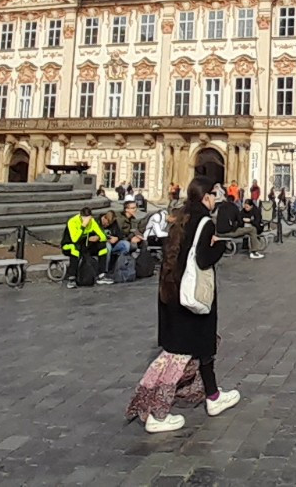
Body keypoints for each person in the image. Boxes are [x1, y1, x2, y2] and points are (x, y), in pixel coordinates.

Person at [127, 178, 240, 433]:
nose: (217, 199)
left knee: (202, 348)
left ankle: (212, 396)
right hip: (190, 299)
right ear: (205, 197)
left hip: (171, 291)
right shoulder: (205, 223)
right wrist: (219, 245)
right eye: (214, 194)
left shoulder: (180, 217)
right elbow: (203, 258)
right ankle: (158, 412)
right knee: (177, 356)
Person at [63, 208, 110, 288]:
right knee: (75, 249)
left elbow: (103, 236)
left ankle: (101, 275)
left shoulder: (92, 221)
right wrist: (83, 226)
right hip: (69, 245)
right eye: (84, 219)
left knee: (102, 246)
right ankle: (72, 279)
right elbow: (75, 239)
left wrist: (98, 237)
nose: (87, 221)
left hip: (85, 244)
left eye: (88, 219)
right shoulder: (72, 221)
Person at [214, 189, 266, 259]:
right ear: (234, 200)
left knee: (248, 229)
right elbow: (240, 222)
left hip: (219, 232)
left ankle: (245, 246)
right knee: (252, 229)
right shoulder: (234, 208)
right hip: (230, 231)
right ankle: (254, 252)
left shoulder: (220, 207)